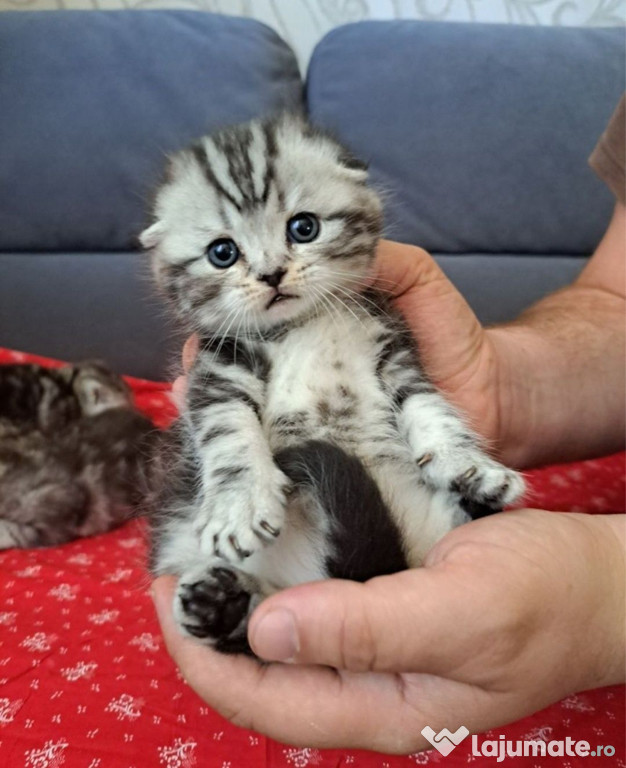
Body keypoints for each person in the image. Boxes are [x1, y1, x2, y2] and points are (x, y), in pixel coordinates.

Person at [151, 97, 625, 754]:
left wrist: (604, 591)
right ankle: (250, 605)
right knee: (210, 495)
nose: (270, 272)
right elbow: (616, 300)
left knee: (413, 507)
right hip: (279, 530)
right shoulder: (232, 348)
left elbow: (413, 393)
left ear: (357, 201)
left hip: (390, 513)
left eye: (302, 229)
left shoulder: (365, 313)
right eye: (226, 251)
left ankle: (286, 602)